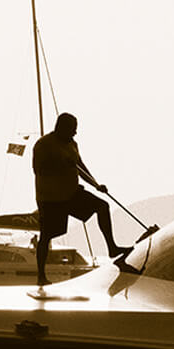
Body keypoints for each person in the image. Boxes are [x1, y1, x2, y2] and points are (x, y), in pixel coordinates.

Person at [31, 112, 130, 287]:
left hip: (71, 193)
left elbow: (80, 167)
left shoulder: (72, 144)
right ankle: (41, 276)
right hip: (50, 198)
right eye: (72, 129)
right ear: (61, 127)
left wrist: (96, 184)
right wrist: (61, 164)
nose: (75, 133)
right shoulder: (43, 145)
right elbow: (39, 169)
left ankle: (112, 248)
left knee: (102, 206)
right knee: (46, 235)